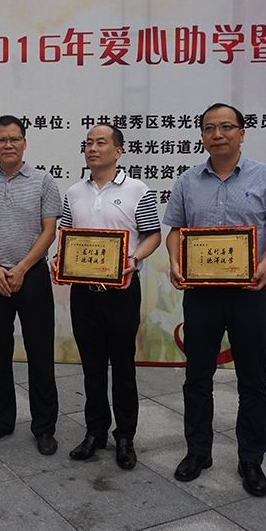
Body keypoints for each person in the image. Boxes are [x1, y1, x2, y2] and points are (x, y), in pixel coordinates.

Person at [163, 102, 266, 497]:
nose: (217, 134)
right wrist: (175, 261)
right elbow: (175, 230)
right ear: (202, 135)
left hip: (248, 293)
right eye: (209, 128)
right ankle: (197, 451)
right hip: (201, 295)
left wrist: (264, 264)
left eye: (225, 127)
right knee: (197, 376)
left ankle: (251, 458)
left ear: (241, 133)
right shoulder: (187, 181)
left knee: (253, 378)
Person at [56, 123, 161, 469]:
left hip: (122, 291)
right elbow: (67, 235)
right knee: (92, 366)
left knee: (123, 366)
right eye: (88, 143)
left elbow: (153, 234)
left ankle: (125, 436)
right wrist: (59, 259)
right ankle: (95, 431)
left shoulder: (137, 190)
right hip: (84, 293)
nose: (92, 148)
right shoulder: (74, 192)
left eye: (100, 143)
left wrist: (135, 258)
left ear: (118, 151)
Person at [0, 115, 61, 455]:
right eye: (1, 139)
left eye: (14, 139)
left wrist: (21, 268)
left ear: (24, 143)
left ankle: (44, 427)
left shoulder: (43, 181)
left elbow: (49, 230)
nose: (8, 144)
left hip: (31, 276)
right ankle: (2, 420)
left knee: (40, 353)